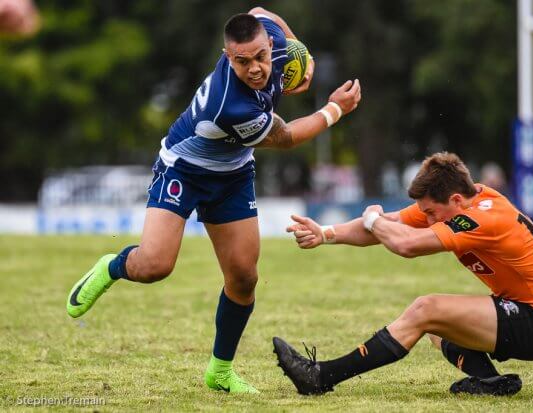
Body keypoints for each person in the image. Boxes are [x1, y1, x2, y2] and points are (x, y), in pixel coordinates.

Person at [66, 7, 361, 394]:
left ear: (269, 44)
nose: (255, 68)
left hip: (234, 175)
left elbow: (259, 11)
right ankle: (112, 266)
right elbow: (286, 137)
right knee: (155, 266)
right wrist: (335, 109)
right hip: (184, 171)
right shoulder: (228, 106)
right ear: (227, 58)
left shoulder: (272, 42)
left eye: (260, 56)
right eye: (242, 62)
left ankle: (220, 371)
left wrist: (302, 55)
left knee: (244, 276)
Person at [275, 152, 533, 396]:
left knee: (426, 309)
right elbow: (386, 225)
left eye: (430, 213)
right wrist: (325, 233)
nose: (427, 220)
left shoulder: (482, 218)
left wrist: (373, 219)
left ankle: (322, 376)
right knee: (437, 327)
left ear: (455, 200)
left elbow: (405, 243)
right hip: (521, 309)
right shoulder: (461, 201)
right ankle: (492, 384)